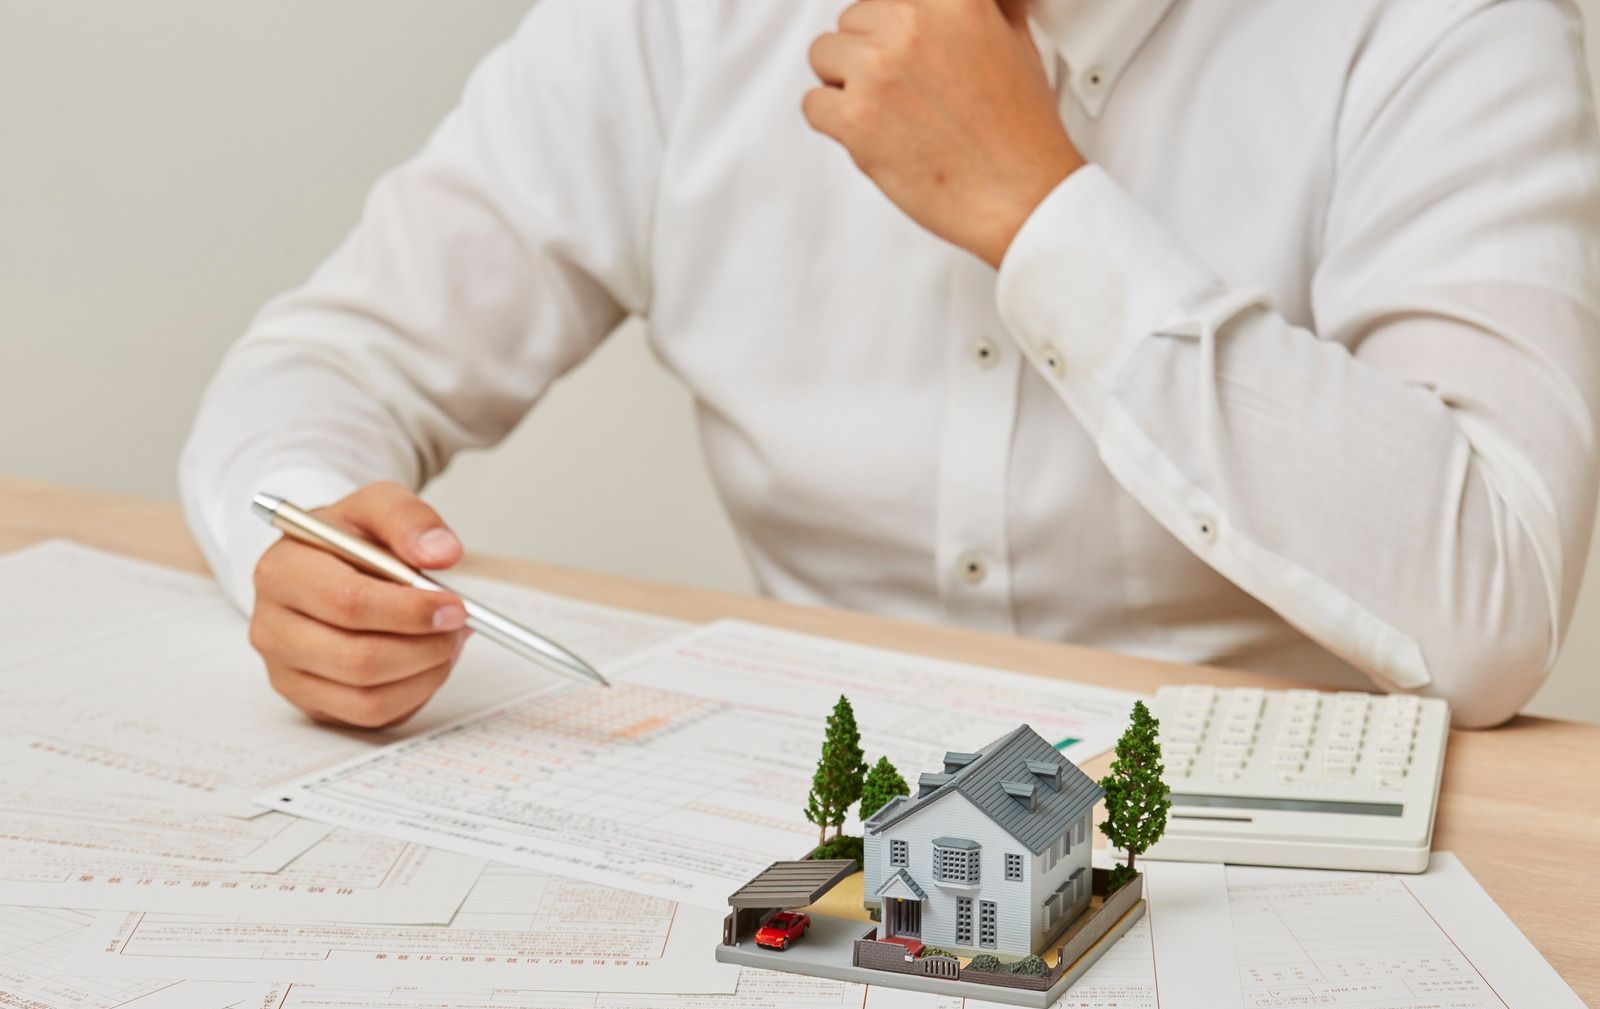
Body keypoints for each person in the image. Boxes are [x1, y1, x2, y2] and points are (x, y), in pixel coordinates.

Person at [181, 0, 1600, 731]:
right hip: (806, 837)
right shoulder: (682, 21)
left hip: (1272, 865)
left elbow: (1496, 595)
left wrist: (1044, 212)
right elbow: (329, 358)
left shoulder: (1438, 27)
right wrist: (300, 538)